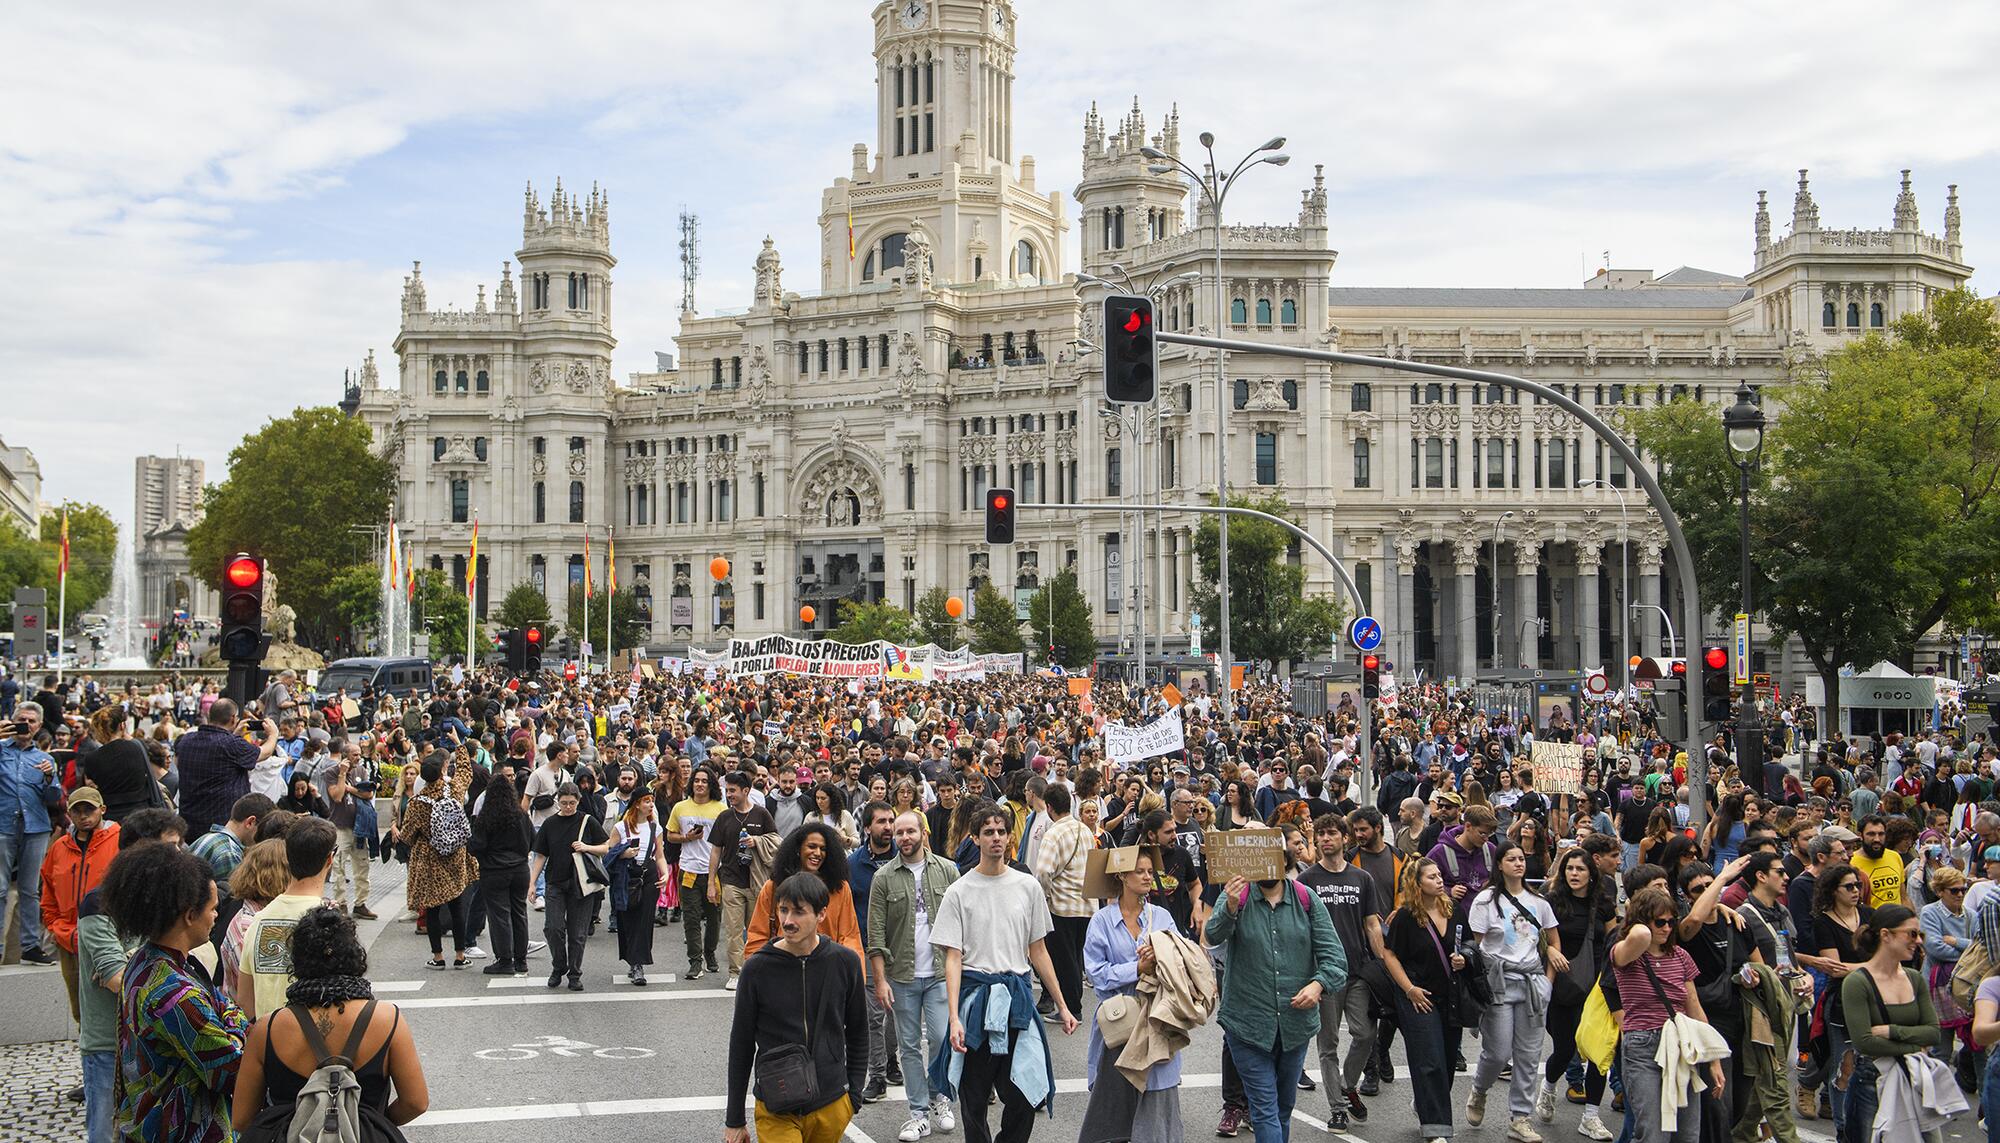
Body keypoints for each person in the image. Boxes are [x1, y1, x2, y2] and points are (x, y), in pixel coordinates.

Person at [936, 801, 1078, 1143]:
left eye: (1002, 831)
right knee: (974, 1097)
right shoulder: (959, 891)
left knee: (1024, 1095)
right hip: (976, 1002)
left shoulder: (1027, 886)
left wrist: (1062, 1003)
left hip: (1016, 1000)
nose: (996, 838)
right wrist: (954, 1016)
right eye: (988, 832)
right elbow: (952, 958)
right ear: (975, 838)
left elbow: (1038, 950)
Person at [99, 833, 249, 1143]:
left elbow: (222, 1004)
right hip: (180, 1131)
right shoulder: (174, 993)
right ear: (189, 914)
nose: (216, 916)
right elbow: (231, 1066)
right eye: (212, 908)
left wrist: (225, 1015)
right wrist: (235, 1024)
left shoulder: (146, 961)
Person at [230, 906, 429, 1138]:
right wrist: (371, 1121)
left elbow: (242, 1118)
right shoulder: (387, 1019)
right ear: (354, 954)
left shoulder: (268, 1028)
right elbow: (416, 1102)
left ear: (297, 960)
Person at [1204, 834, 1346, 1143]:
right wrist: (1228, 906)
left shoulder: (1306, 899)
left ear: (1285, 862)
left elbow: (1336, 959)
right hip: (1247, 1025)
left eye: (1273, 859)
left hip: (1295, 1027)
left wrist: (1318, 985)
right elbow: (1212, 935)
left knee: (1283, 1108)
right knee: (1265, 1109)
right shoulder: (1238, 897)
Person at [723, 872, 869, 1143]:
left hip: (831, 1103)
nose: (788, 921)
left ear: (821, 914)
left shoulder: (844, 962)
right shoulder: (757, 969)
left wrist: (854, 1095)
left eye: (799, 912)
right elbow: (741, 1044)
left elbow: (859, 1030)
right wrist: (734, 1119)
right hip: (776, 1104)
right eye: (783, 910)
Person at [1081, 847, 1185, 1143]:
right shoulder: (1101, 921)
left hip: (1158, 1023)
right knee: (1113, 1114)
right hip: (1119, 1027)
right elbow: (1097, 976)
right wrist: (1137, 967)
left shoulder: (1162, 917)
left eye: (1150, 872)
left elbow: (1180, 964)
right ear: (1121, 876)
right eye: (1139, 871)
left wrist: (1162, 957)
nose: (1146, 877)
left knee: (1157, 1114)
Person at [870, 808, 961, 1142]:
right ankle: (918, 1113)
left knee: (940, 1039)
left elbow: (962, 927)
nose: (904, 838)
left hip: (940, 973)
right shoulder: (884, 878)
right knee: (908, 1047)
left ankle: (941, 1098)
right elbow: (875, 935)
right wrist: (880, 980)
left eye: (910, 831)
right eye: (898, 833)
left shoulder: (949, 871)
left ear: (924, 833)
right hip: (902, 975)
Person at [1611, 885, 1725, 1143]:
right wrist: (1639, 921)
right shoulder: (1627, 954)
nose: (1667, 928)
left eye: (1671, 921)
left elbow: (1694, 1006)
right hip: (1643, 1046)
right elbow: (1638, 935)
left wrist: (1714, 1061)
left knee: (1687, 1134)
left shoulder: (1681, 956)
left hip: (1681, 1044)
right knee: (1652, 1133)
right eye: (1659, 921)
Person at [1465, 841, 1561, 1143]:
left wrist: (1548, 981)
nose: (1519, 864)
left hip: (1532, 982)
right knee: (1498, 1052)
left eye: (1521, 859)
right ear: (1500, 864)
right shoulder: (1485, 901)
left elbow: (1553, 943)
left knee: (1530, 1055)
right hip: (1499, 983)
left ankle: (1520, 1118)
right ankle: (1479, 1089)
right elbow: (1475, 948)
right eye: (1511, 859)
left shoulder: (1539, 901)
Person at [1298, 813, 1385, 1130]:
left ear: (1344, 838)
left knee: (1365, 1034)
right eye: (1320, 834)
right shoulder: (1306, 880)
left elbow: (1372, 924)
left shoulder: (1362, 878)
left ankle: (1348, 1085)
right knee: (1328, 1045)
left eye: (1331, 833)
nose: (1324, 839)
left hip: (1359, 970)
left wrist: (1383, 963)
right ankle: (1337, 1108)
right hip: (1324, 975)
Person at [1381, 856, 1468, 1143]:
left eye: (1439, 875)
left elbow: (1468, 944)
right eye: (1431, 877)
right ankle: (1436, 1129)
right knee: (1429, 1059)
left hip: (1450, 995)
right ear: (1417, 884)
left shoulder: (1453, 909)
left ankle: (1425, 1103)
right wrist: (1409, 989)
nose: (1439, 880)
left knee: (1445, 1059)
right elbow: (1389, 954)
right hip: (1418, 995)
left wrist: (1464, 957)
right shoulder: (1406, 916)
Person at [1838, 905, 1942, 1143]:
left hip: (1914, 1077)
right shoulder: (1857, 982)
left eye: (1920, 935)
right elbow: (1865, 1042)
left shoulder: (1914, 978)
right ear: (1886, 935)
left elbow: (1934, 1032)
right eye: (1911, 934)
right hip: (1871, 1081)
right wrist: (1914, 1044)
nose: (1918, 941)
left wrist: (1891, 1031)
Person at [1538, 847, 1615, 1140]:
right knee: (1565, 1049)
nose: (1574, 874)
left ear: (1591, 873)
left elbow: (1613, 941)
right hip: (1563, 986)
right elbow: (1537, 938)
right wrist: (1551, 951)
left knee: (1598, 1053)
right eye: (1570, 868)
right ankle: (1547, 1086)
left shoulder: (1603, 904)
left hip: (1597, 987)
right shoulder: (1552, 901)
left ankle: (1591, 1117)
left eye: (1580, 869)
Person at [238, 817, 338, 1021]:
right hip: (315, 1045)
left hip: (269, 1041)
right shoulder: (329, 922)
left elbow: (245, 1002)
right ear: (329, 859)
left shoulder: (257, 920)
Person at [40, 785, 118, 1027]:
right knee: (79, 1009)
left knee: (113, 1005)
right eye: (77, 811)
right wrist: (54, 925)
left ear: (102, 810)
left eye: (89, 810)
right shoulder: (59, 848)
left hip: (106, 935)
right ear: (69, 814)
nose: (84, 815)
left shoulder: (119, 841)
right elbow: (47, 890)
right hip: (69, 938)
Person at [528, 781, 609, 991]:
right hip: (555, 882)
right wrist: (532, 883)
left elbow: (605, 847)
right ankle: (559, 965)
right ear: (558, 802)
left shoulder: (587, 821)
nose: (568, 807)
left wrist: (587, 847)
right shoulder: (550, 824)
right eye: (564, 803)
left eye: (572, 803)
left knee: (578, 933)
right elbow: (541, 855)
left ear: (578, 801)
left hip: (581, 884)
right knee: (552, 927)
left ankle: (574, 973)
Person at [400, 751, 477, 969]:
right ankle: (460, 955)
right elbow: (465, 771)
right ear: (443, 771)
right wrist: (459, 746)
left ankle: (438, 957)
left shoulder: (417, 803)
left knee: (432, 908)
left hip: (429, 858)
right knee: (457, 906)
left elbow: (406, 836)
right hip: (454, 854)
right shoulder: (454, 791)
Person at [848, 801, 900, 1101]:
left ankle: (891, 1061)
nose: (888, 827)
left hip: (902, 948)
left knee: (895, 1014)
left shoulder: (905, 858)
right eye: (881, 821)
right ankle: (877, 1075)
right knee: (873, 1015)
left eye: (890, 821)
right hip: (869, 948)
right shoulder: (853, 865)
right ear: (867, 827)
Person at [0, 702, 59, 964]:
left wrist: (49, 778)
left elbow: (54, 797)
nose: (26, 725)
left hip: (35, 827)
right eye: (21, 719)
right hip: (3, 825)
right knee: (0, 889)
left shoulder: (45, 759)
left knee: (30, 889)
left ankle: (30, 945)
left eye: (32, 721)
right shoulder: (1, 750)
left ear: (39, 726)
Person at [1032, 783, 1095, 1022]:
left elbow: (1043, 872)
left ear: (1049, 807)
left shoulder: (1053, 833)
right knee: (1076, 957)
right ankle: (1073, 1004)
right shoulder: (1084, 830)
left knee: (1064, 958)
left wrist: (1044, 898)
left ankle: (1071, 1009)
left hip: (1061, 905)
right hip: (1086, 903)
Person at [711, 769, 779, 991]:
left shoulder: (761, 814)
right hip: (731, 881)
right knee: (732, 931)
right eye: (727, 791)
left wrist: (756, 841)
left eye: (733, 791)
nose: (729, 795)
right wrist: (712, 882)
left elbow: (776, 841)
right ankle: (735, 972)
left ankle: (756, 971)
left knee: (756, 931)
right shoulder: (724, 817)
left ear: (746, 791)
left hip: (757, 881)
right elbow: (715, 851)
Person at [172, 698, 278, 841]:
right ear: (233, 718)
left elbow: (215, 754)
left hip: (189, 826)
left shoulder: (186, 740)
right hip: (220, 829)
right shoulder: (231, 745)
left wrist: (234, 735)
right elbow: (264, 752)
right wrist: (273, 735)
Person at [470, 758, 536, 977]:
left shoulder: (486, 817)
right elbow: (532, 841)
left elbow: (477, 845)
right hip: (519, 869)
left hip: (494, 870)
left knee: (499, 915)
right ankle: (521, 960)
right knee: (519, 913)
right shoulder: (521, 815)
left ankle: (504, 960)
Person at [603, 785, 667, 985]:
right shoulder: (621, 827)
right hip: (627, 875)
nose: (650, 805)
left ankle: (638, 964)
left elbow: (660, 856)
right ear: (637, 804)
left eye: (651, 801)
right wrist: (623, 854)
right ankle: (632, 960)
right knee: (627, 919)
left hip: (649, 875)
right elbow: (609, 852)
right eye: (646, 801)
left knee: (645, 920)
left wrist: (665, 874)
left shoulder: (655, 828)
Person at [666, 767, 724, 979]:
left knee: (714, 918)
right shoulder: (680, 808)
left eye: (704, 781)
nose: (700, 784)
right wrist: (686, 838)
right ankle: (695, 961)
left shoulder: (721, 809)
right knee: (691, 919)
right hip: (688, 871)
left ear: (711, 785)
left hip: (714, 873)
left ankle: (710, 953)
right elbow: (670, 836)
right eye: (697, 781)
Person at [83, 706, 159, 823]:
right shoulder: (137, 747)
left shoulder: (91, 758)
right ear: (122, 725)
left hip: (110, 815)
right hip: (140, 813)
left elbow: (92, 782)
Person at [1852, 814, 1910, 909]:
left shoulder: (1894, 856)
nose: (1877, 839)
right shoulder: (1851, 862)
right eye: (1871, 834)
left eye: (1881, 834)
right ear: (1860, 835)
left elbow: (1904, 897)